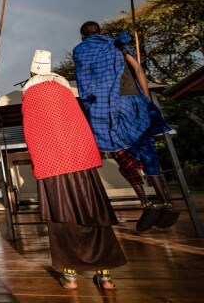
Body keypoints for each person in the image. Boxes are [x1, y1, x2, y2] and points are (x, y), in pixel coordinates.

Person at [22, 50, 127, 290]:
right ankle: (105, 276)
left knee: (63, 217)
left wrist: (37, 163)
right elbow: (79, 123)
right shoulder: (65, 90)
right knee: (93, 212)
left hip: (51, 164)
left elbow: (31, 132)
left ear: (31, 72)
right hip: (81, 160)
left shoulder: (30, 93)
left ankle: (70, 277)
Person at [73, 21, 179, 231]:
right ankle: (165, 201)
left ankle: (146, 202)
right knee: (146, 148)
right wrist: (146, 100)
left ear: (83, 36)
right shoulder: (117, 44)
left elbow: (84, 82)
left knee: (121, 153)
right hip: (132, 101)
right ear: (100, 32)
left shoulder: (81, 50)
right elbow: (138, 69)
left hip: (103, 105)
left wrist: (89, 107)